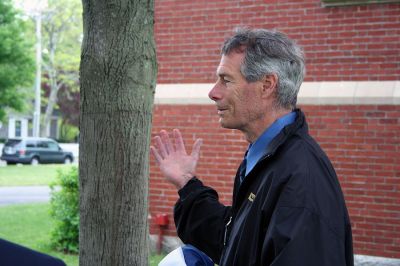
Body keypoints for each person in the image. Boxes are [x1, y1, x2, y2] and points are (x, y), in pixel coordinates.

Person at [151, 28, 353, 266]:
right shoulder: (268, 159)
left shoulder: (301, 181)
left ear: (267, 85)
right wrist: (186, 183)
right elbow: (236, 240)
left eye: (226, 80)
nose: (213, 93)